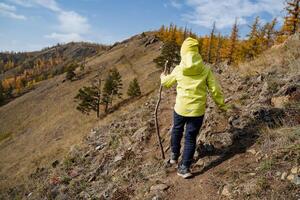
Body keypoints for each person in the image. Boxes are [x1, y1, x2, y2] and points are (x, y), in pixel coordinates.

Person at [160, 37, 228, 179]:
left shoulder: (179, 69)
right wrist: (222, 105)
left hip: (180, 109)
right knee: (190, 138)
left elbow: (166, 83)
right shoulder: (206, 69)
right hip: (197, 111)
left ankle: (174, 155)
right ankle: (184, 168)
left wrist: (162, 76)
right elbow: (215, 90)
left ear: (183, 52)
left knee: (177, 130)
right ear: (196, 52)